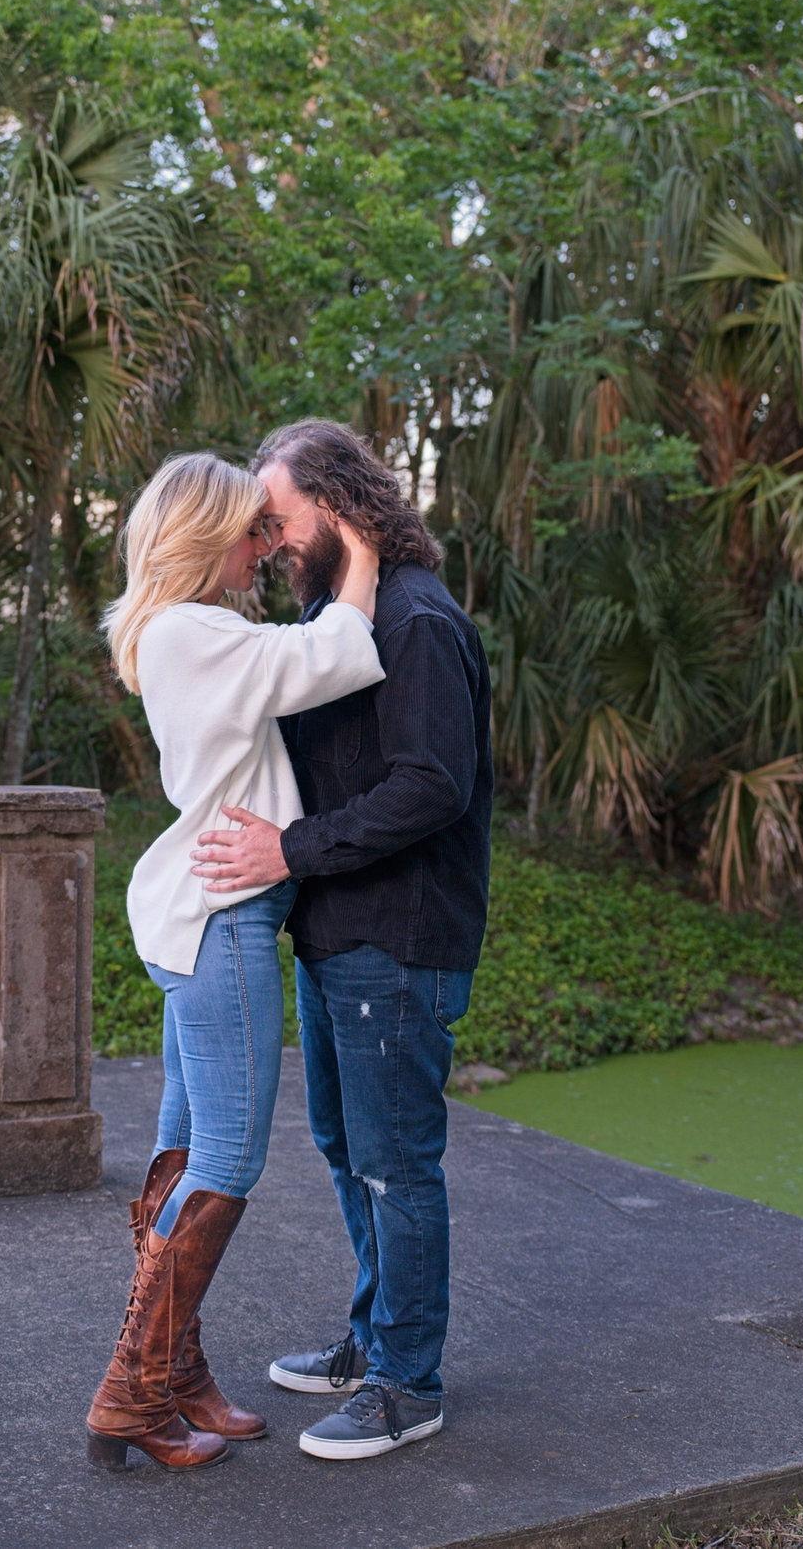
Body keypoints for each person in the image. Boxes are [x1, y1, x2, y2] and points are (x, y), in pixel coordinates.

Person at [188, 418, 494, 1462]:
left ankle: (408, 1380)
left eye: (276, 518)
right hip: (339, 932)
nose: (267, 539)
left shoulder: (412, 622)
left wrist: (287, 848)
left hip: (397, 935)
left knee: (393, 1164)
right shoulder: (342, 615)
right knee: (345, 1148)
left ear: (339, 504)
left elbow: (429, 784)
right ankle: (371, 1340)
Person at [85, 450, 386, 1471]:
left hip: (212, 914)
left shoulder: (196, 630)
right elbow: (335, 654)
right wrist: (361, 553)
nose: (267, 546)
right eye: (254, 530)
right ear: (208, 534)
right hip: (227, 919)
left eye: (273, 529)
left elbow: (295, 669)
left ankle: (169, 1374)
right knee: (225, 1161)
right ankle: (130, 1387)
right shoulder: (188, 631)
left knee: (179, 1155)